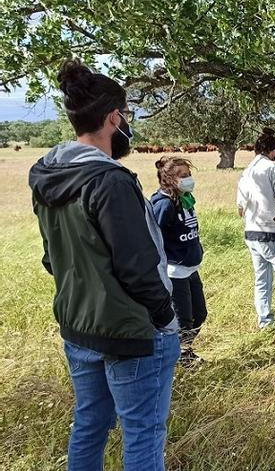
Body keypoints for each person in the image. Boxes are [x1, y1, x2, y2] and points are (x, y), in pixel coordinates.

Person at [28, 59, 179, 470]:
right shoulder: (110, 181)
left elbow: (51, 257)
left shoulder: (46, 175)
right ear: (115, 117)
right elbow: (138, 267)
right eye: (126, 115)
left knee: (90, 424)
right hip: (130, 331)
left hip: (79, 325)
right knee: (143, 434)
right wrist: (164, 318)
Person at [151, 156, 207, 366]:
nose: (188, 179)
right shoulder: (164, 205)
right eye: (182, 176)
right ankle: (181, 357)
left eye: (189, 175)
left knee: (199, 313)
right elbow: (154, 236)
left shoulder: (185, 199)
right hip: (175, 271)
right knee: (183, 319)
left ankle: (183, 350)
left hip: (190, 267)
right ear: (169, 180)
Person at [236, 127, 275, 331]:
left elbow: (240, 208)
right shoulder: (273, 168)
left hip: (251, 232)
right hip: (272, 231)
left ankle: (265, 322)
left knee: (262, 279)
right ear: (274, 150)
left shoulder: (246, 172)